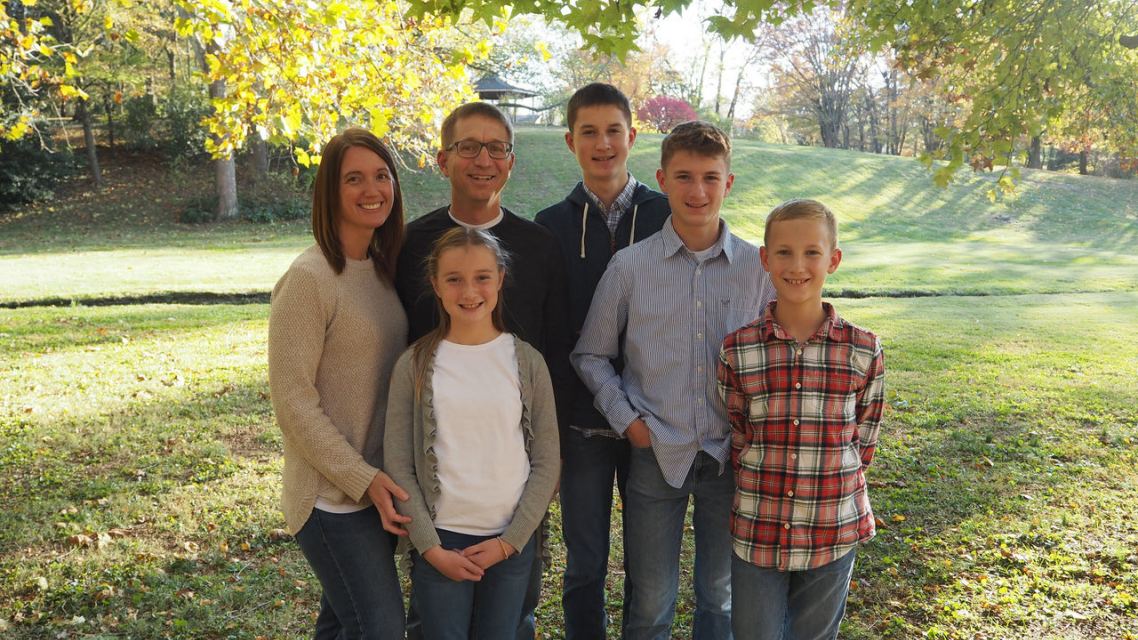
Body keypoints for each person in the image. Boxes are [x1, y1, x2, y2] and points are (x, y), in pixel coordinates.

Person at [572, 120, 776, 640]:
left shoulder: (758, 269)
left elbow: (778, 354)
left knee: (719, 597)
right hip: (655, 450)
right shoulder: (630, 267)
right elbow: (591, 354)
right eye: (684, 177)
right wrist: (629, 423)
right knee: (651, 601)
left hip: (730, 456)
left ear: (729, 183)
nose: (697, 191)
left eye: (710, 177)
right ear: (662, 180)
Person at [394, 101, 569, 640]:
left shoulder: (540, 246)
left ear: (511, 161)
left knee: (512, 620)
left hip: (511, 489)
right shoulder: (409, 244)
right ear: (443, 159)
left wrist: (545, 475)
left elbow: (556, 351)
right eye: (468, 147)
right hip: (442, 498)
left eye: (496, 148)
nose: (483, 159)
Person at [533, 82, 670, 639]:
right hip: (581, 423)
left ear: (632, 136)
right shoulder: (550, 225)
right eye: (588, 132)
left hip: (651, 421)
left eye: (614, 130)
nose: (603, 143)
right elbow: (548, 333)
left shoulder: (666, 214)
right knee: (585, 561)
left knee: (647, 563)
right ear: (571, 141)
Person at [267, 128, 411, 640]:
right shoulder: (309, 279)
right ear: (330, 191)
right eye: (354, 179)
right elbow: (292, 402)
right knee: (381, 629)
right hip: (332, 497)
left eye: (381, 176)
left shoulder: (382, 269)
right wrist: (361, 478)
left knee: (341, 626)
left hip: (376, 491)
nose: (372, 189)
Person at [718, 199, 885, 640]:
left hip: (832, 526)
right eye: (784, 252)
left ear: (834, 259)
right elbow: (739, 432)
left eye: (812, 252)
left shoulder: (862, 349)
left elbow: (864, 439)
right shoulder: (738, 350)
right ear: (765, 259)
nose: (797, 266)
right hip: (759, 525)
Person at [383, 227, 560, 640]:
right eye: (454, 279)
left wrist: (510, 541)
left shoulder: (527, 362)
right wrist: (429, 546)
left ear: (500, 279)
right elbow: (399, 463)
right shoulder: (414, 365)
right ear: (435, 285)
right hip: (442, 540)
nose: (469, 291)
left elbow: (547, 461)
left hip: (510, 541)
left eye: (482, 277)